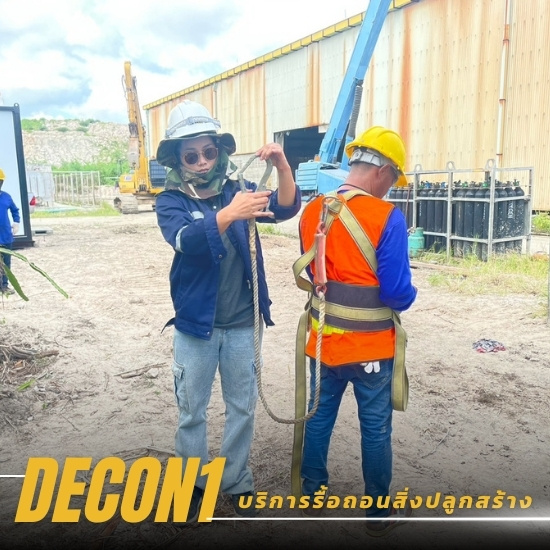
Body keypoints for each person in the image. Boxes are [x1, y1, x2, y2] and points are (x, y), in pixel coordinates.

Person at [154, 100, 301, 521]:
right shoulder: (170, 201)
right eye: (191, 155)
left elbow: (285, 208)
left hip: (242, 324)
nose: (202, 162)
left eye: (208, 151)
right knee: (192, 412)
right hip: (195, 328)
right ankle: (191, 485)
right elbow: (185, 240)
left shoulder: (238, 189)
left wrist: (283, 166)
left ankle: (237, 480)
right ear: (177, 159)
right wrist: (228, 214)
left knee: (242, 407)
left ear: (219, 151)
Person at [297, 126, 417, 536]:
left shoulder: (313, 211)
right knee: (375, 430)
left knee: (318, 418)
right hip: (370, 351)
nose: (391, 188)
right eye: (393, 180)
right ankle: (379, 515)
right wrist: (412, 293)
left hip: (323, 343)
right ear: (383, 171)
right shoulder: (386, 216)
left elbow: (313, 274)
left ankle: (312, 496)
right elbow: (397, 293)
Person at [0, 167, 21, 296]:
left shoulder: (6, 197)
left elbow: (15, 210)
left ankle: (4, 286)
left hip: (5, 237)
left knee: (6, 264)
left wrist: (16, 222)